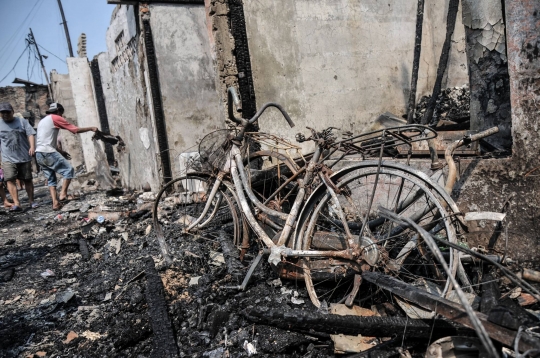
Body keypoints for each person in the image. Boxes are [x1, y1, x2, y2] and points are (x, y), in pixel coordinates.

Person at [35, 102, 97, 210]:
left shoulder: (43, 121)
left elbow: (46, 141)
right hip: (48, 152)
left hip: (39, 153)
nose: (62, 117)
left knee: (51, 179)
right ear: (59, 111)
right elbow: (75, 130)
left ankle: (55, 203)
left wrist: (61, 151)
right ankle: (63, 194)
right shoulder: (56, 118)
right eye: (61, 114)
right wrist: (91, 128)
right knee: (68, 170)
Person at [0, 102, 37, 211]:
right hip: (8, 158)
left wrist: (32, 147)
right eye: (2, 112)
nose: (5, 114)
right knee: (10, 180)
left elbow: (30, 133)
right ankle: (17, 203)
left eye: (7, 112)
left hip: (24, 156)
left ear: (12, 112)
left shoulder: (21, 121)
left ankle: (31, 201)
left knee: (27, 179)